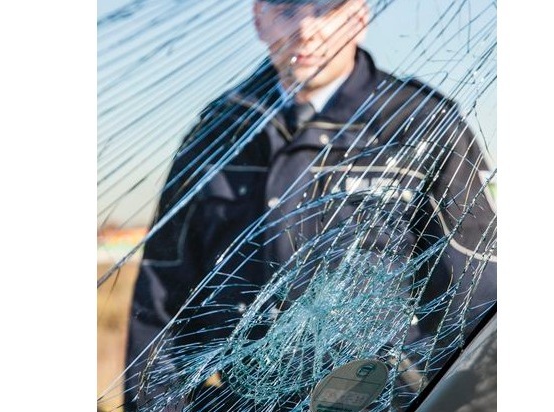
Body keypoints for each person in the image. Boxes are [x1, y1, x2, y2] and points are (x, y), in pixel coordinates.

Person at [124, 0, 497, 410]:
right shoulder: (218, 131)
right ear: (259, 19)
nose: (305, 30)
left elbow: (477, 287)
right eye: (287, 9)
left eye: (324, 9)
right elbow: (160, 297)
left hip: (385, 398)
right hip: (238, 399)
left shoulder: (420, 123)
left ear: (359, 18)